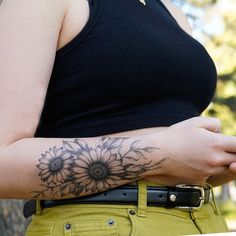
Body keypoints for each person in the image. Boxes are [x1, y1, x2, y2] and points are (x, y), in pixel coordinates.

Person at [0, 0, 236, 235]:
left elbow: (181, 160)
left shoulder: (174, 14)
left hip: (205, 221)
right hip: (99, 224)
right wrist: (161, 153)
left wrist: (222, 160)